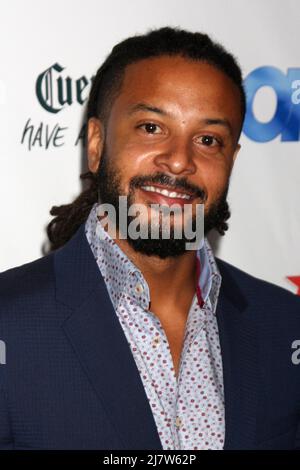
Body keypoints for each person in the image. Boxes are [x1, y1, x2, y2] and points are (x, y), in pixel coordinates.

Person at [0, 27, 300, 450]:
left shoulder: (286, 326)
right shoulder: (9, 325)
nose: (179, 160)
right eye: (151, 127)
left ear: (231, 160)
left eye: (207, 139)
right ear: (97, 143)